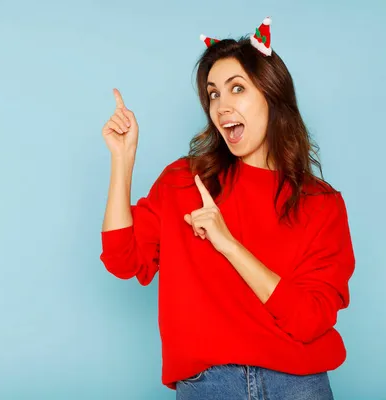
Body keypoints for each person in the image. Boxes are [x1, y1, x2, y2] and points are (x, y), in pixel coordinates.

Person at [99, 17, 355, 400]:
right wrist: (123, 160)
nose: (222, 106)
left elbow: (310, 321)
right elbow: (122, 258)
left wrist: (229, 244)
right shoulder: (184, 181)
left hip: (299, 384)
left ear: (272, 96)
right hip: (209, 386)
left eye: (237, 89)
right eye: (213, 93)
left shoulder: (321, 204)